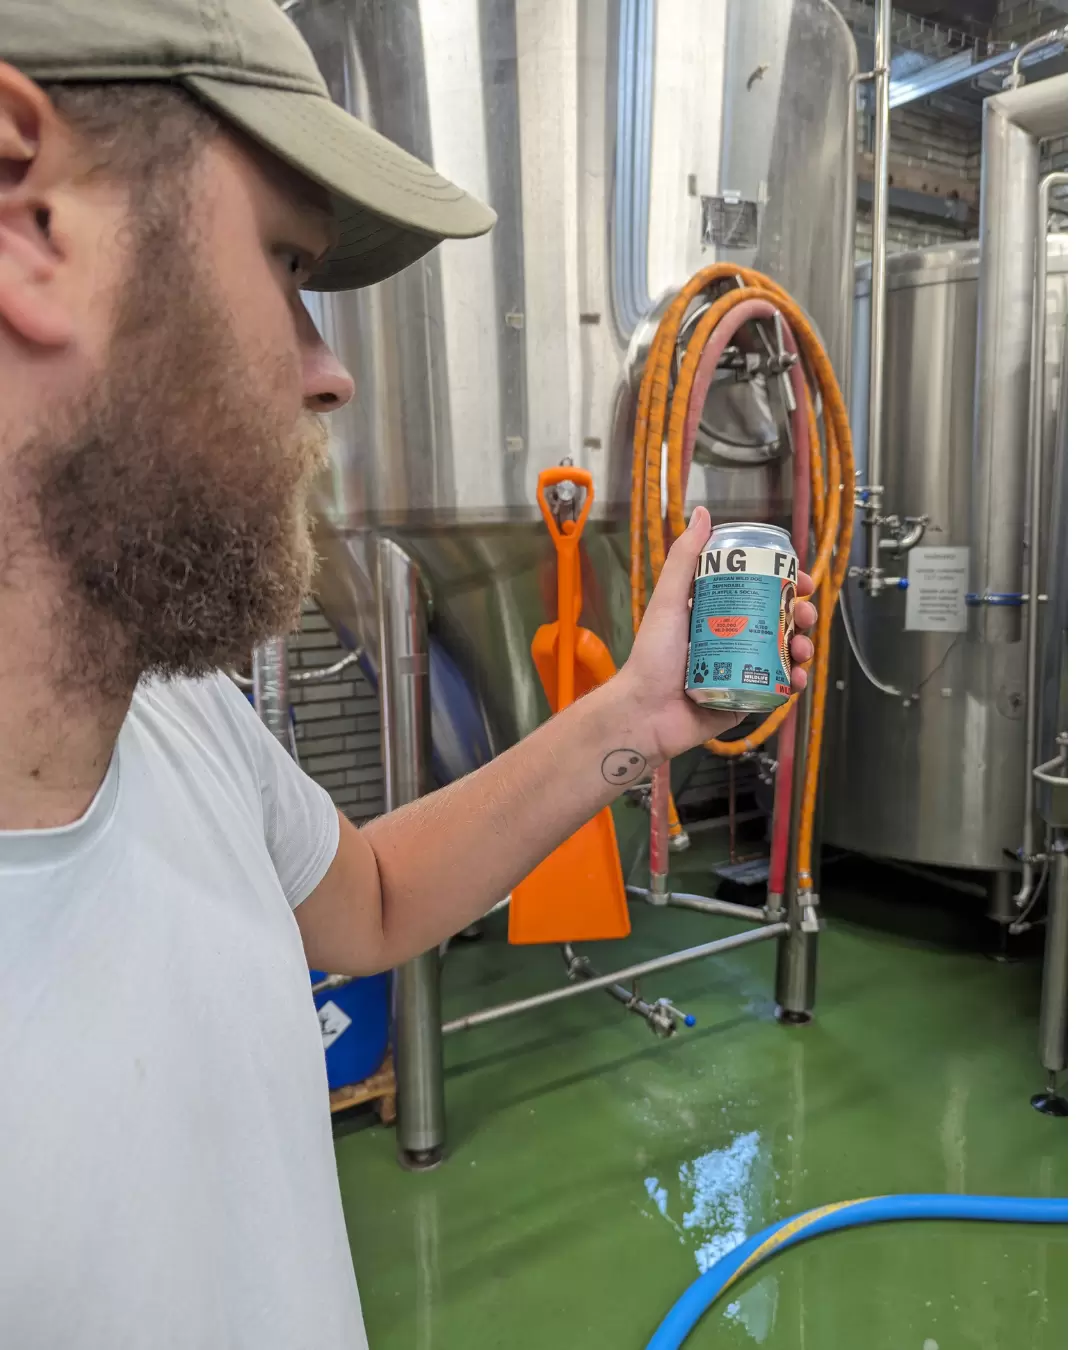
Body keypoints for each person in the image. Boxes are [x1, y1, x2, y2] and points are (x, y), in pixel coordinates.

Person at [0, 1, 817, 1346]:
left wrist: (644, 713)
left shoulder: (174, 710)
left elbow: (372, 898)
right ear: (31, 218)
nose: (331, 373)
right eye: (283, 262)